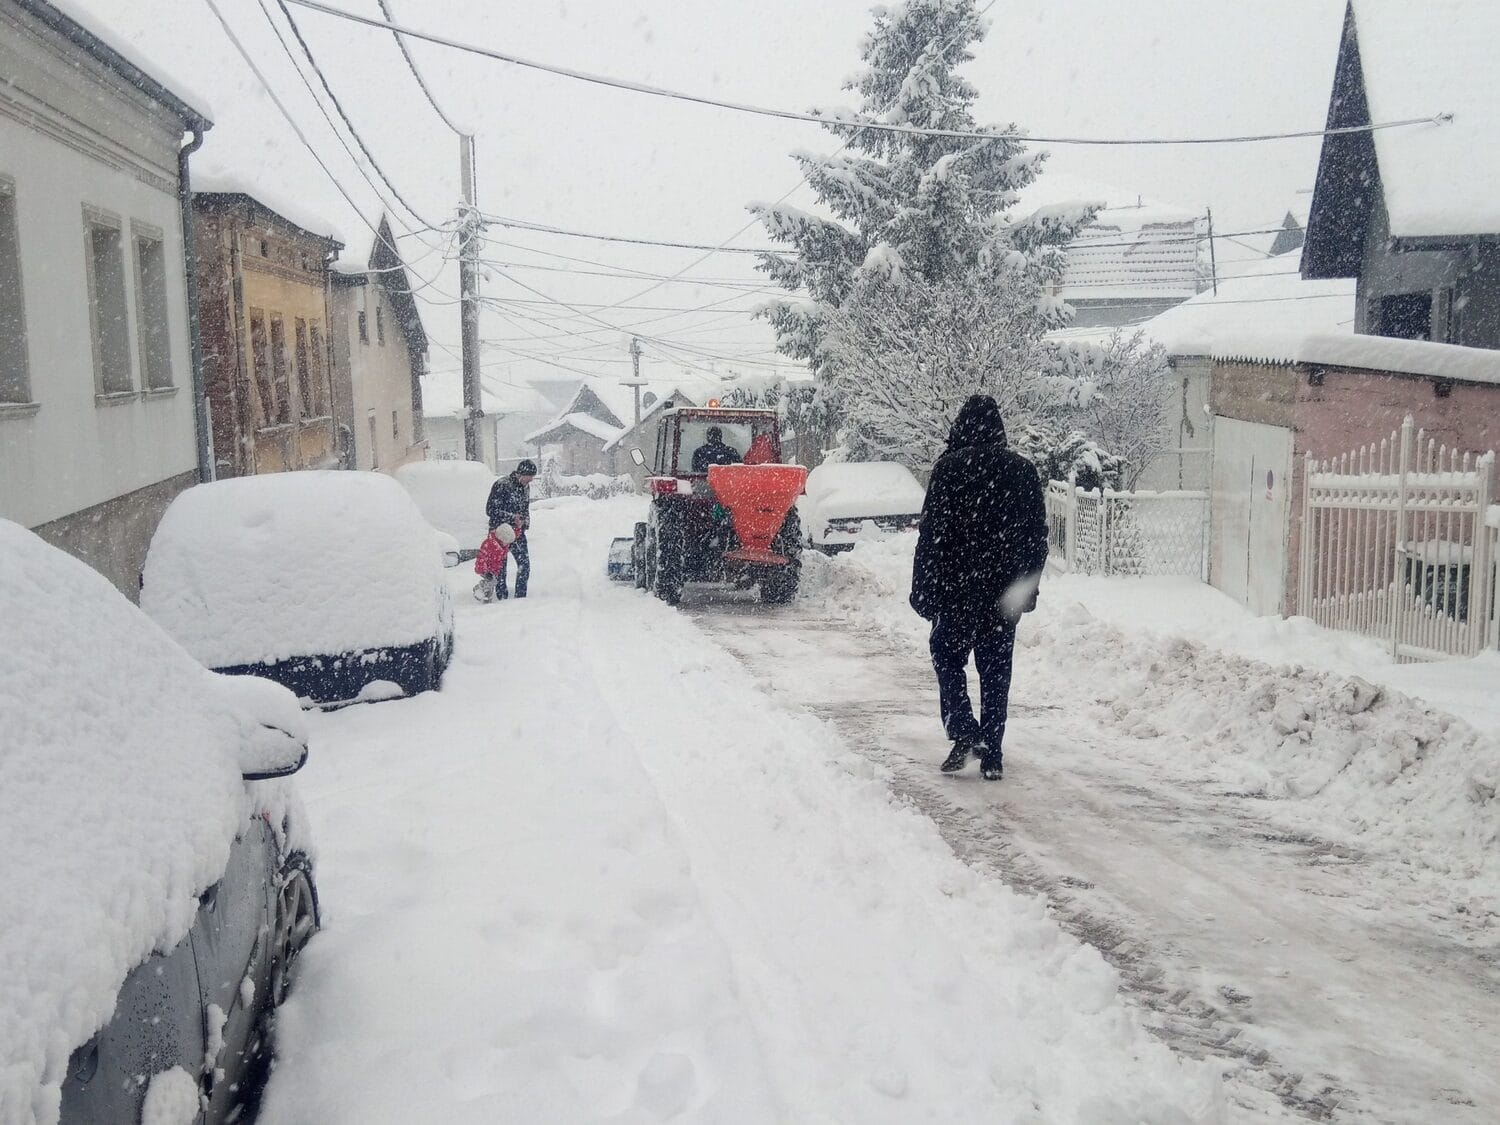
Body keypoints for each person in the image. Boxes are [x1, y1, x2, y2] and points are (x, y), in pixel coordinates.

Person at [909, 394, 1047, 781]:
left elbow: (931, 534)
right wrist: (1027, 588)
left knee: (947, 656)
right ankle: (993, 754)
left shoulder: (949, 470)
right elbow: (1036, 537)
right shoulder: (1022, 471)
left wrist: (923, 588)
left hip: (957, 590)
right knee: (996, 670)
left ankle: (965, 730)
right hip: (1004, 593)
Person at [486, 460, 536, 598]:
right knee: (501, 567)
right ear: (521, 474)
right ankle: (502, 598)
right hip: (500, 532)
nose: (531, 480)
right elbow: (490, 510)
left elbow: (525, 508)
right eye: (529, 476)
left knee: (524, 566)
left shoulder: (526, 487)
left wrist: (524, 523)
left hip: (518, 533)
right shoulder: (502, 485)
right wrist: (512, 518)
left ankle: (520, 598)